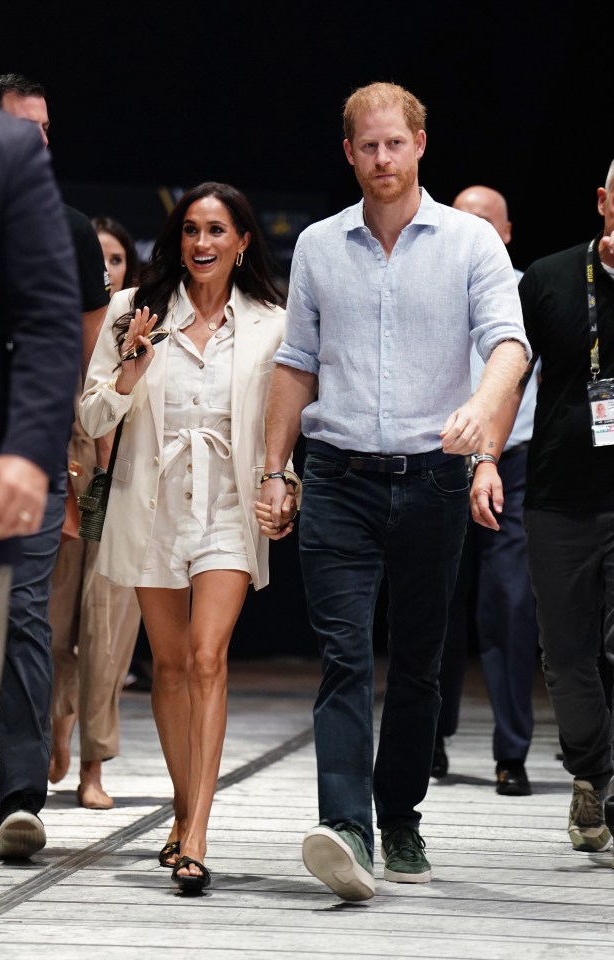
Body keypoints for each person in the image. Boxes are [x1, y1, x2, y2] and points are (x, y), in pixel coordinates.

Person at [256, 81, 530, 902]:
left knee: (417, 664)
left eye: (394, 144)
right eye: (366, 146)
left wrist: (484, 410)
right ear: (348, 153)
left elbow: (507, 344)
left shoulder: (470, 243)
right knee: (342, 653)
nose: (381, 159)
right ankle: (344, 827)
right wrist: (277, 469)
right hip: (337, 474)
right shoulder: (316, 245)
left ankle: (398, 814)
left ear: (419, 144)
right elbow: (295, 364)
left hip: (433, 479)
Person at [79, 181, 298, 893]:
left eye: (216, 230)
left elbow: (281, 419)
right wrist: (132, 368)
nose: (201, 243)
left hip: (228, 510)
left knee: (208, 658)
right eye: (190, 230)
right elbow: (89, 418)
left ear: (242, 243)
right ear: (176, 241)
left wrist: (281, 480)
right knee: (169, 667)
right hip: (151, 505)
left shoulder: (272, 320)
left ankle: (196, 833)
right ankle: (182, 810)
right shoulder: (131, 312)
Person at [0, 74, 110, 858]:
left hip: (25, 450)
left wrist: (50, 449)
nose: (41, 145)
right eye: (26, 129)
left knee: (21, 616)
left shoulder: (64, 228)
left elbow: (75, 348)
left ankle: (21, 796)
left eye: (47, 131)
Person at [471, 159, 614, 855]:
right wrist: (487, 458)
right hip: (558, 495)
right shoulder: (552, 279)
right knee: (565, 654)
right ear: (601, 200)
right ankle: (591, 774)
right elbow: (507, 375)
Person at [433, 186, 540, 796]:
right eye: (460, 219)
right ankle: (432, 738)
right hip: (440, 461)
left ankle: (512, 752)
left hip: (514, 464)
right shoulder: (431, 280)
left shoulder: (535, 289)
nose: (470, 230)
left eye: (483, 221)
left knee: (509, 606)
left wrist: (493, 454)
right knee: (436, 605)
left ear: (504, 232)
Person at [47, 215, 142, 809]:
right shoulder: (57, 323)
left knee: (108, 630)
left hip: (125, 478)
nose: (104, 270)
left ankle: (93, 768)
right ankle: (54, 727)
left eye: (115, 259)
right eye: (96, 259)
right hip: (63, 471)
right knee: (52, 623)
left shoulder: (144, 323)